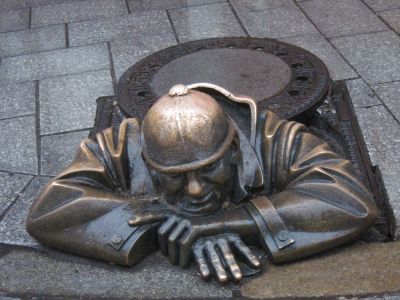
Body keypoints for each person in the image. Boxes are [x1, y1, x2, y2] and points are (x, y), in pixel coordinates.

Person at [27, 84, 377, 283]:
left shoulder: (277, 139)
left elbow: (350, 200)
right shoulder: (123, 144)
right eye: (173, 177)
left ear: (235, 151)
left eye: (210, 169)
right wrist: (162, 222)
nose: (194, 189)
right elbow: (49, 209)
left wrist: (224, 223)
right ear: (149, 163)